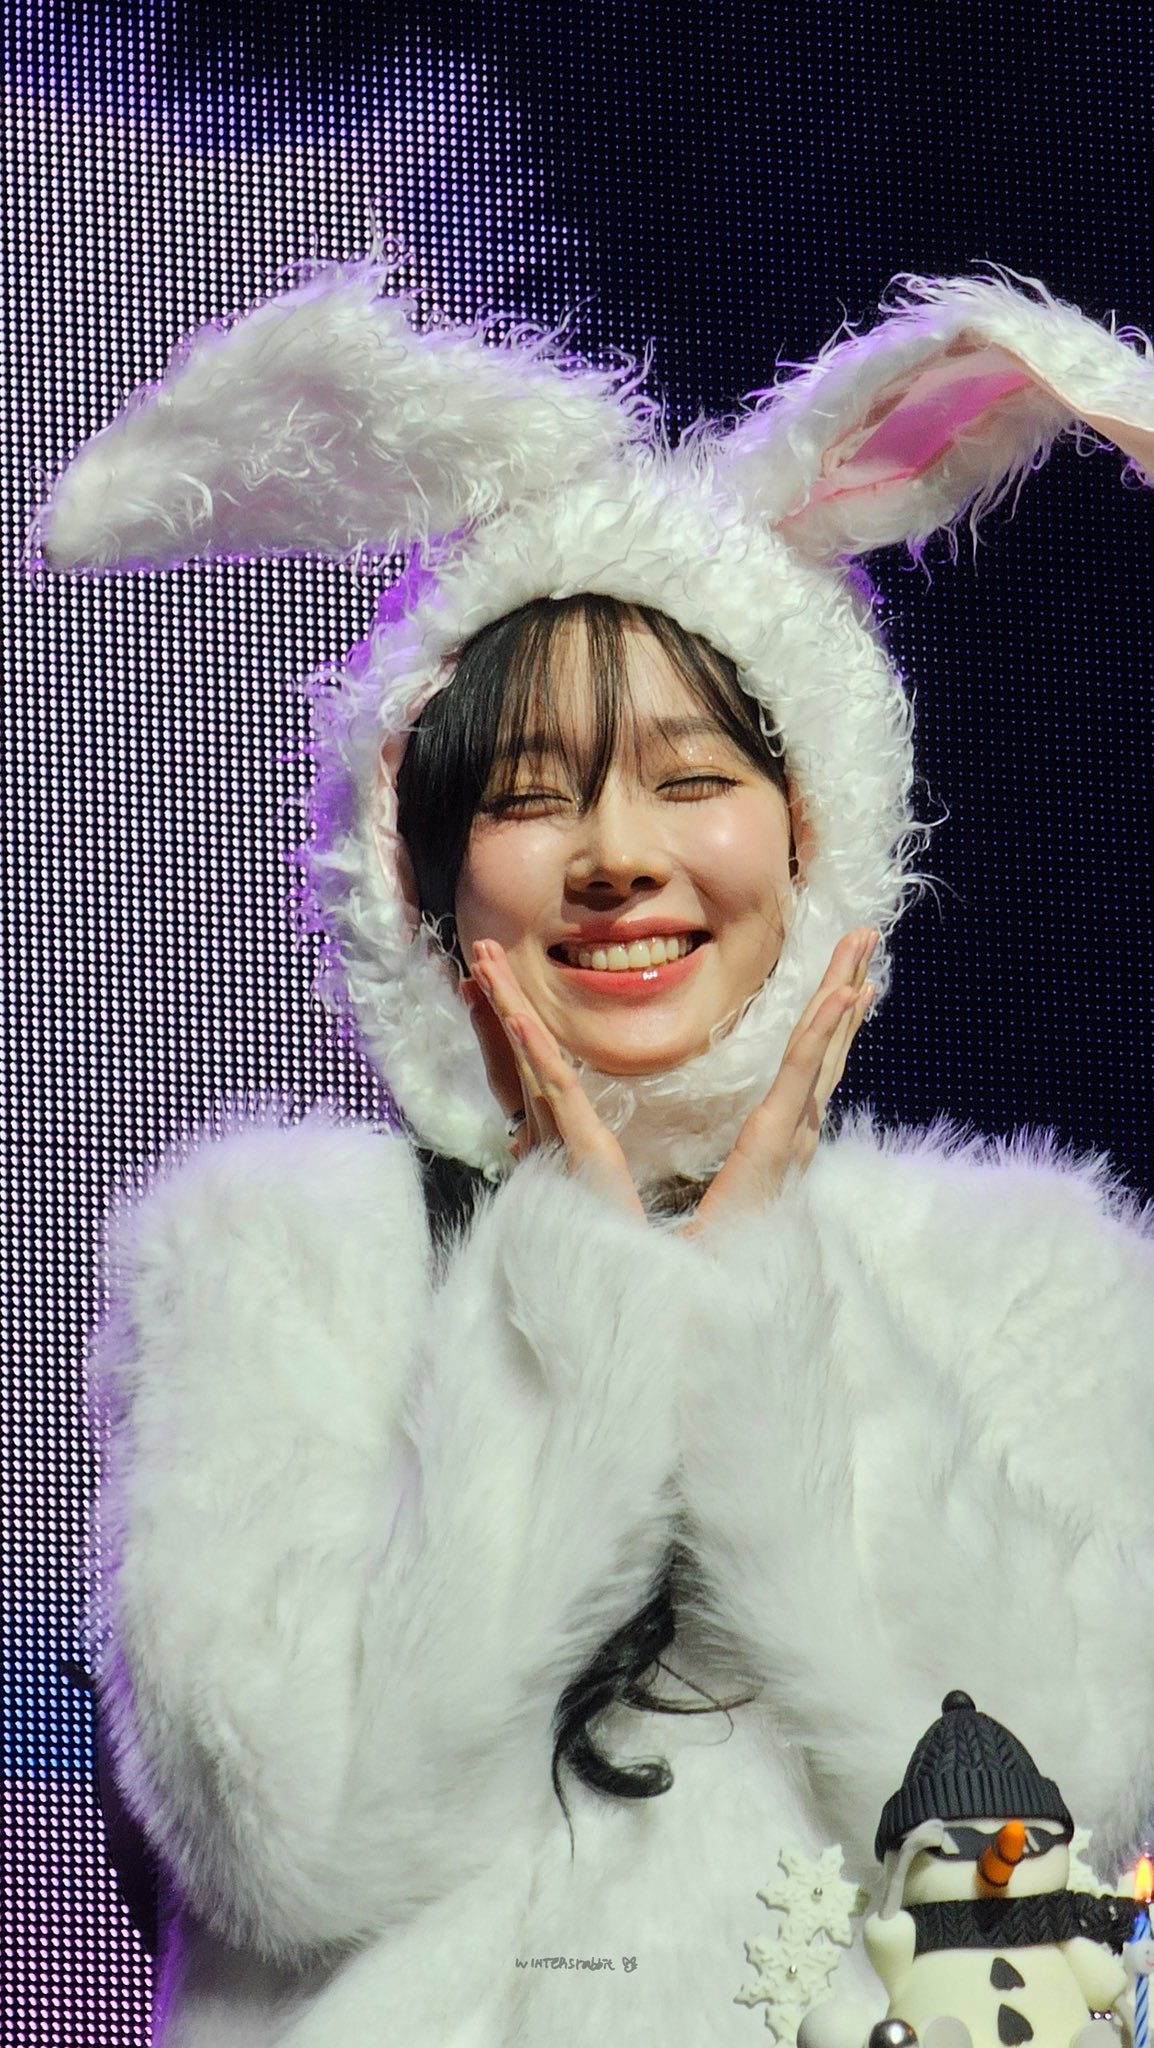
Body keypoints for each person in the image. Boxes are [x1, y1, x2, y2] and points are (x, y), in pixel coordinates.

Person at [39, 264, 1154, 2047]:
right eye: (528, 793)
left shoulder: (1025, 1271)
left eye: (690, 780)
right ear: (419, 870)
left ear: (814, 832)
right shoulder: (276, 1250)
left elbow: (1041, 1829)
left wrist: (767, 1302)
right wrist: (574, 1292)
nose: (616, 856)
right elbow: (285, 1842)